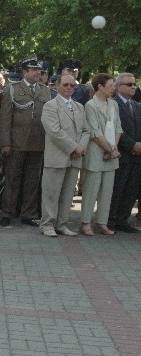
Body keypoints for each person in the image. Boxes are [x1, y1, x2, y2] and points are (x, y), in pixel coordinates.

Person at [0, 54, 51, 228]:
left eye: (39, 70)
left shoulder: (45, 91)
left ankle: (28, 214)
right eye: (34, 70)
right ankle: (8, 212)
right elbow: (5, 119)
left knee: (32, 181)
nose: (38, 73)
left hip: (38, 143)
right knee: (12, 179)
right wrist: (5, 143)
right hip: (16, 143)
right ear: (25, 71)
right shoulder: (12, 90)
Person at [39, 75, 90, 237]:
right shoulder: (50, 106)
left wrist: (81, 147)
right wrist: (75, 147)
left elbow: (86, 130)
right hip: (57, 156)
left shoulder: (79, 107)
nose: (69, 88)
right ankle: (47, 225)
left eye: (72, 85)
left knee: (68, 194)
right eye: (66, 84)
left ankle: (62, 224)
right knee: (51, 193)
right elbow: (54, 131)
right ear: (58, 86)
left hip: (75, 158)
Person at [80, 73, 122, 236]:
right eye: (111, 85)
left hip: (111, 152)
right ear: (100, 87)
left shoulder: (113, 104)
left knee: (107, 190)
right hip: (96, 153)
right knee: (91, 189)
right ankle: (85, 222)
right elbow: (95, 132)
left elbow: (118, 128)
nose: (113, 88)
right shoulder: (90, 105)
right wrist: (110, 150)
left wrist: (112, 150)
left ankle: (102, 222)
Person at [108, 73, 141, 233]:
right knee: (118, 188)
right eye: (129, 84)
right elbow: (115, 129)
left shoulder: (136, 106)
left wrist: (139, 145)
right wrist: (132, 145)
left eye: (134, 84)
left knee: (131, 190)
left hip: (136, 156)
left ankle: (123, 220)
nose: (133, 87)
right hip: (121, 153)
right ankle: (111, 220)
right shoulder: (113, 104)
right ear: (119, 86)